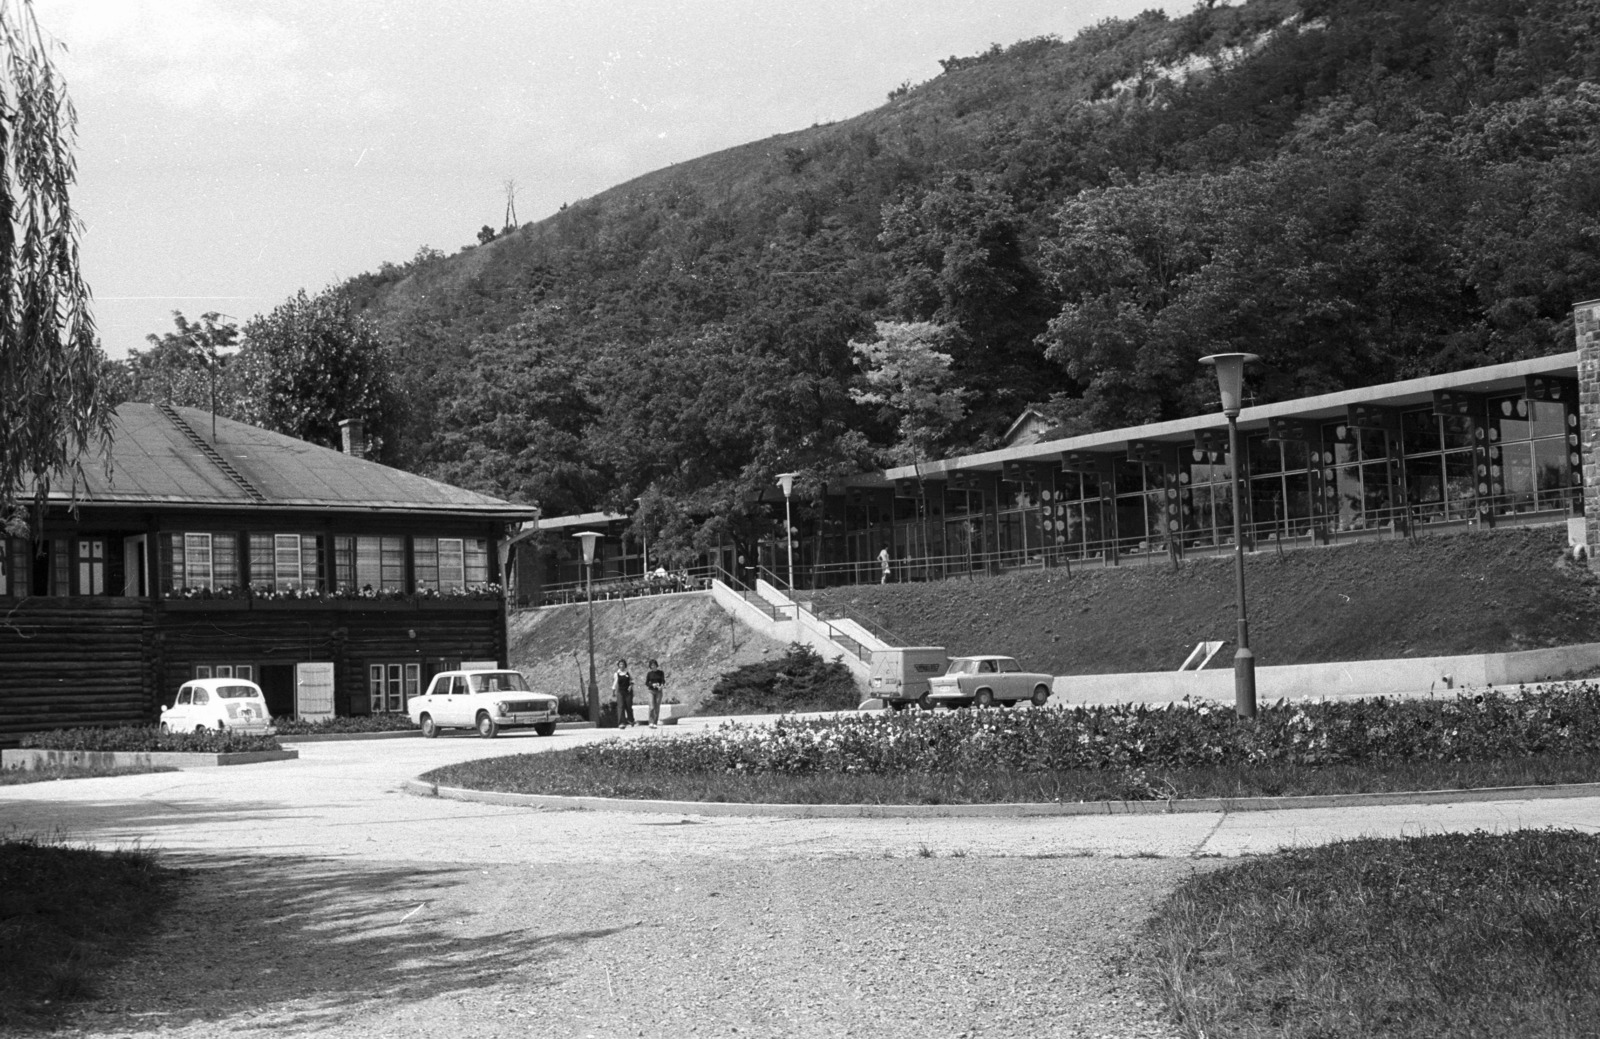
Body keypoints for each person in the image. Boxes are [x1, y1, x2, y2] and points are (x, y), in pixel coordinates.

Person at [611, 659, 635, 727]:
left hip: (628, 692)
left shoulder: (628, 672)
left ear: (625, 665)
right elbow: (615, 683)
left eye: (623, 664)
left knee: (628, 706)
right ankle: (622, 722)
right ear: (618, 665)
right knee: (621, 707)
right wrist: (613, 691)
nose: (622, 666)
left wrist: (631, 686)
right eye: (620, 664)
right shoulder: (617, 674)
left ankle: (631, 719)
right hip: (620, 692)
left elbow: (632, 680)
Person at [645, 658, 666, 728]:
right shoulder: (649, 674)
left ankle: (655, 722)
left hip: (659, 691)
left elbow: (663, 681)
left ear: (656, 665)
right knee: (651, 707)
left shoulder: (661, 673)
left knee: (657, 707)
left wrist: (661, 686)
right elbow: (647, 683)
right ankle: (650, 722)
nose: (653, 666)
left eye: (654, 665)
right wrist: (652, 685)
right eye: (651, 665)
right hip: (651, 691)